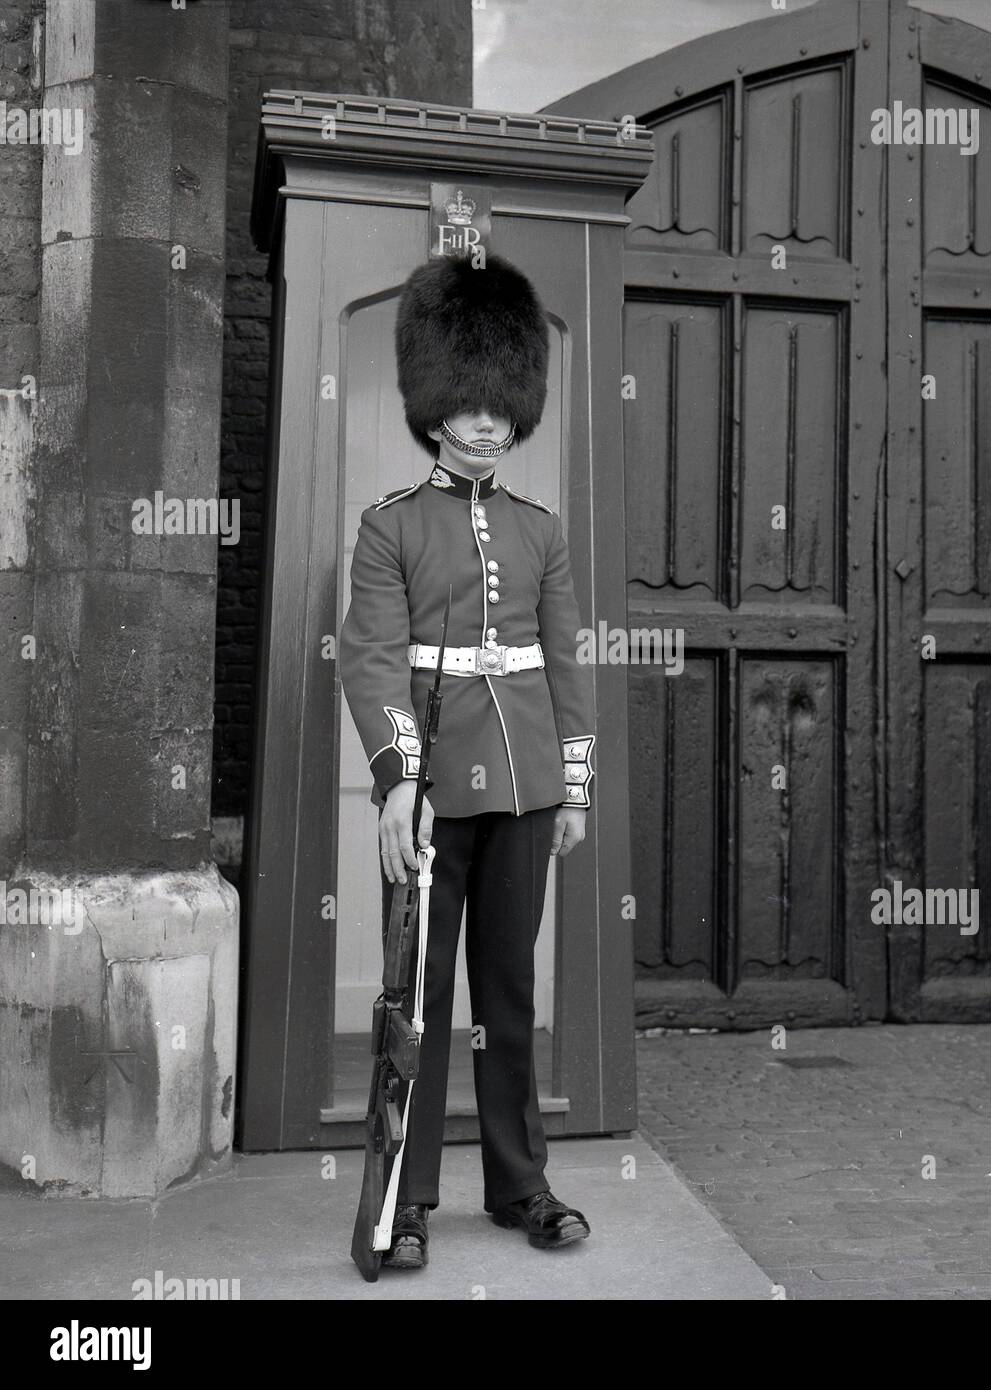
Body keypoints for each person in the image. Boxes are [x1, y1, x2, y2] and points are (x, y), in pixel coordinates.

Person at [339, 252, 596, 1269]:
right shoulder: (389, 525)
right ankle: (403, 1197)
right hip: (435, 789)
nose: (488, 420)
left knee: (505, 991)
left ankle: (518, 1185)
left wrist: (571, 788)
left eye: (502, 402)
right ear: (434, 404)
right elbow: (369, 661)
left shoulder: (540, 532)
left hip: (527, 783)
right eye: (470, 401)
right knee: (420, 998)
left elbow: (566, 664)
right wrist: (397, 780)